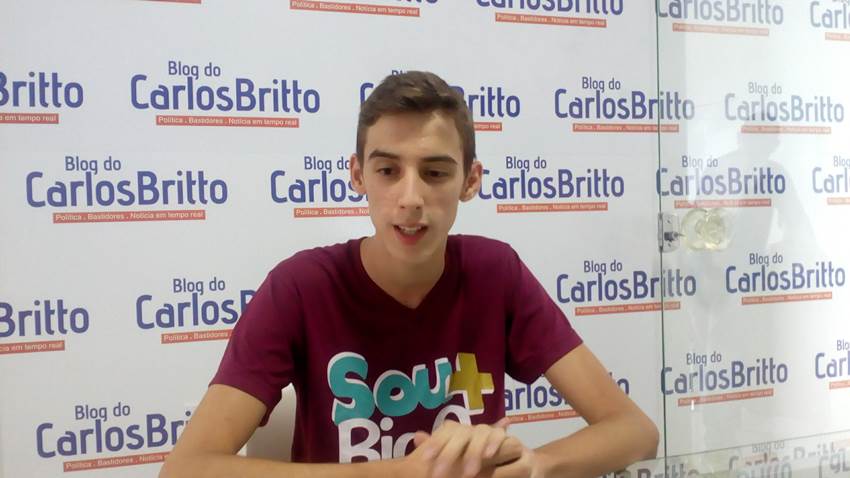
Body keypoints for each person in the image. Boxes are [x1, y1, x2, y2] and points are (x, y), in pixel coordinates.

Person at [159, 71, 658, 478]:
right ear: (358, 175)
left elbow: (635, 431)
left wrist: (532, 467)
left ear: (470, 181)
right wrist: (404, 473)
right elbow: (186, 469)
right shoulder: (300, 287)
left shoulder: (495, 272)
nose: (411, 198)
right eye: (388, 171)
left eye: (435, 173)